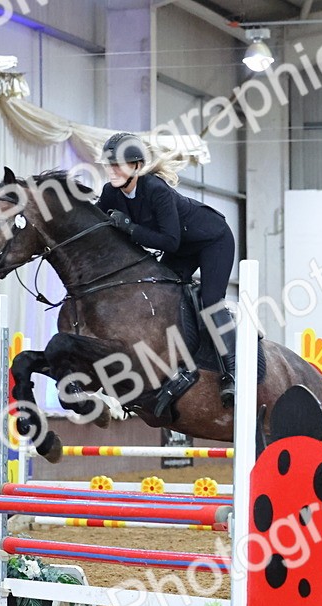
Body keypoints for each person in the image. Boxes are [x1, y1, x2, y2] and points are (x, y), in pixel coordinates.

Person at [96, 132, 238, 407]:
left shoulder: (156, 190)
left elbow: (169, 241)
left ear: (136, 167)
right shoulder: (109, 192)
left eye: (119, 165)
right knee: (157, 295)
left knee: (210, 301)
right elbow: (96, 224)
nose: (112, 170)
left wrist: (129, 227)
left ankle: (232, 372)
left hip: (212, 239)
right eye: (109, 165)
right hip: (182, 248)